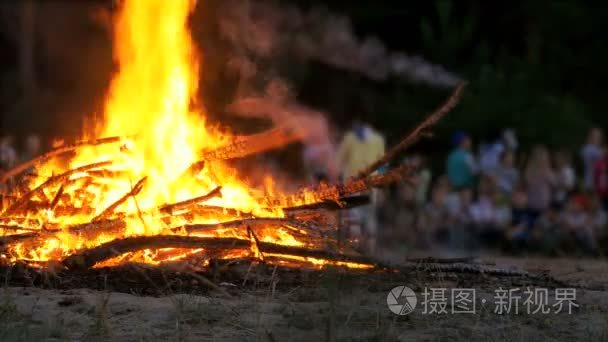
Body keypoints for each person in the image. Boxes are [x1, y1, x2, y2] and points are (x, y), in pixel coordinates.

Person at [336, 119, 386, 254]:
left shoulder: (350, 138)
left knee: (356, 218)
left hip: (355, 185)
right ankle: (369, 252)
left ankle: (357, 252)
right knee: (367, 218)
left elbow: (338, 162)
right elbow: (383, 163)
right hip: (368, 184)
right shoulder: (377, 139)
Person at [524, 146, 555, 220]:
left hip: (544, 203)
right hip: (532, 202)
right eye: (542, 157)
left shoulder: (548, 170)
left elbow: (553, 183)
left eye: (545, 157)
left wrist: (547, 173)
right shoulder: (530, 169)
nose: (544, 159)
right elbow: (528, 182)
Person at [581, 127, 603, 192]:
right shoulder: (587, 149)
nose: (598, 138)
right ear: (590, 137)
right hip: (590, 183)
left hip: (599, 183)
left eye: (599, 137)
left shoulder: (598, 149)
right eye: (595, 136)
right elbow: (598, 155)